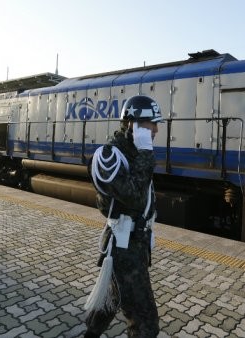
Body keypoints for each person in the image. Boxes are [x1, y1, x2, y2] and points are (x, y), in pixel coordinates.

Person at [84, 95, 161, 337]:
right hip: (123, 248)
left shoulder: (134, 152)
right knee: (146, 323)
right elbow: (135, 197)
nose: (157, 129)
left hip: (135, 244)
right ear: (133, 125)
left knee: (110, 302)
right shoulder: (111, 156)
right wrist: (146, 152)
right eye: (152, 124)